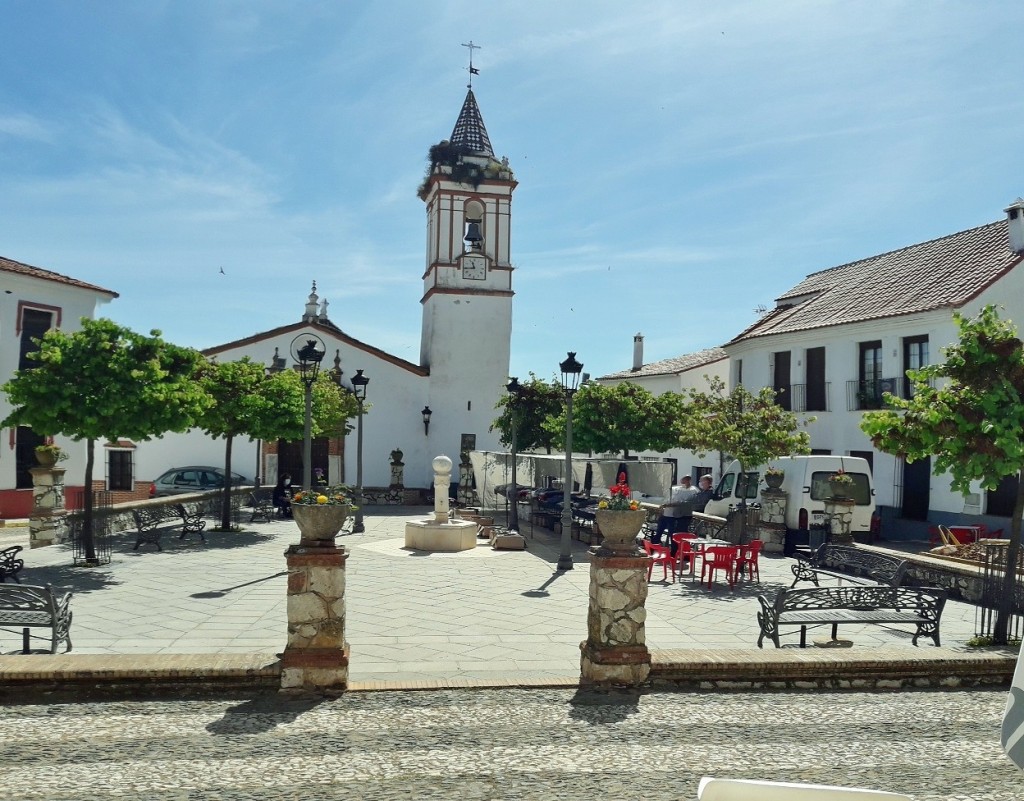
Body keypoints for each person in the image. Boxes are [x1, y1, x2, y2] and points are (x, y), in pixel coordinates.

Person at [656, 475, 699, 545]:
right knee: (662, 528)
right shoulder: (676, 489)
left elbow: (682, 502)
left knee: (677, 535)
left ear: (688, 481)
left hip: (683, 516)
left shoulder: (693, 490)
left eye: (684, 480)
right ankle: (656, 542)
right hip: (671, 514)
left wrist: (668, 505)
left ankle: (678, 550)